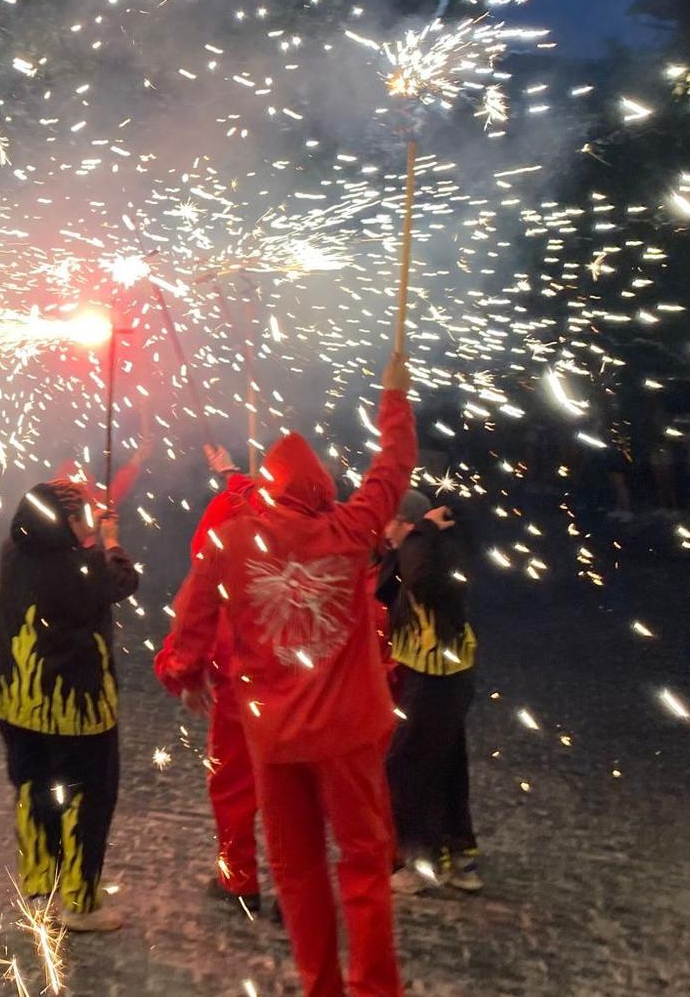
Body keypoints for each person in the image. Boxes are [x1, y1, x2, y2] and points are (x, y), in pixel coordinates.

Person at [211, 350, 416, 997]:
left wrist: (180, 665)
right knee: (362, 865)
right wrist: (393, 398)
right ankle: (374, 988)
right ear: (322, 486)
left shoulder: (242, 537)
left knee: (296, 873)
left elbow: (196, 597)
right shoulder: (353, 529)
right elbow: (394, 465)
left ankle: (319, 986)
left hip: (274, 740)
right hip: (347, 737)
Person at [0, 475, 140, 932]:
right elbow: (123, 579)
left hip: (13, 701)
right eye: (83, 515)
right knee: (86, 799)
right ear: (68, 520)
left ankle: (38, 890)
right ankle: (80, 903)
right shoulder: (85, 565)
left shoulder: (13, 552)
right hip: (72, 709)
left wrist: (92, 539)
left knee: (33, 791)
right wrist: (111, 539)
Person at [154, 440, 267, 915]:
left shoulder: (225, 557)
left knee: (235, 786)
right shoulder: (303, 525)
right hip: (308, 691)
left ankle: (240, 879)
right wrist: (230, 470)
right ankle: (303, 887)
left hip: (243, 693)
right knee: (298, 792)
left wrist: (181, 676)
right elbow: (252, 496)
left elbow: (195, 624)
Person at [377, 491, 479, 896]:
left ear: (407, 523)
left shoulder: (434, 555)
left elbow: (417, 577)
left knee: (406, 767)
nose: (383, 532)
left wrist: (422, 532)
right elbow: (386, 583)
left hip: (440, 676)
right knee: (446, 763)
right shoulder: (421, 550)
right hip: (439, 675)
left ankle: (424, 861)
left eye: (390, 523)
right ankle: (460, 857)